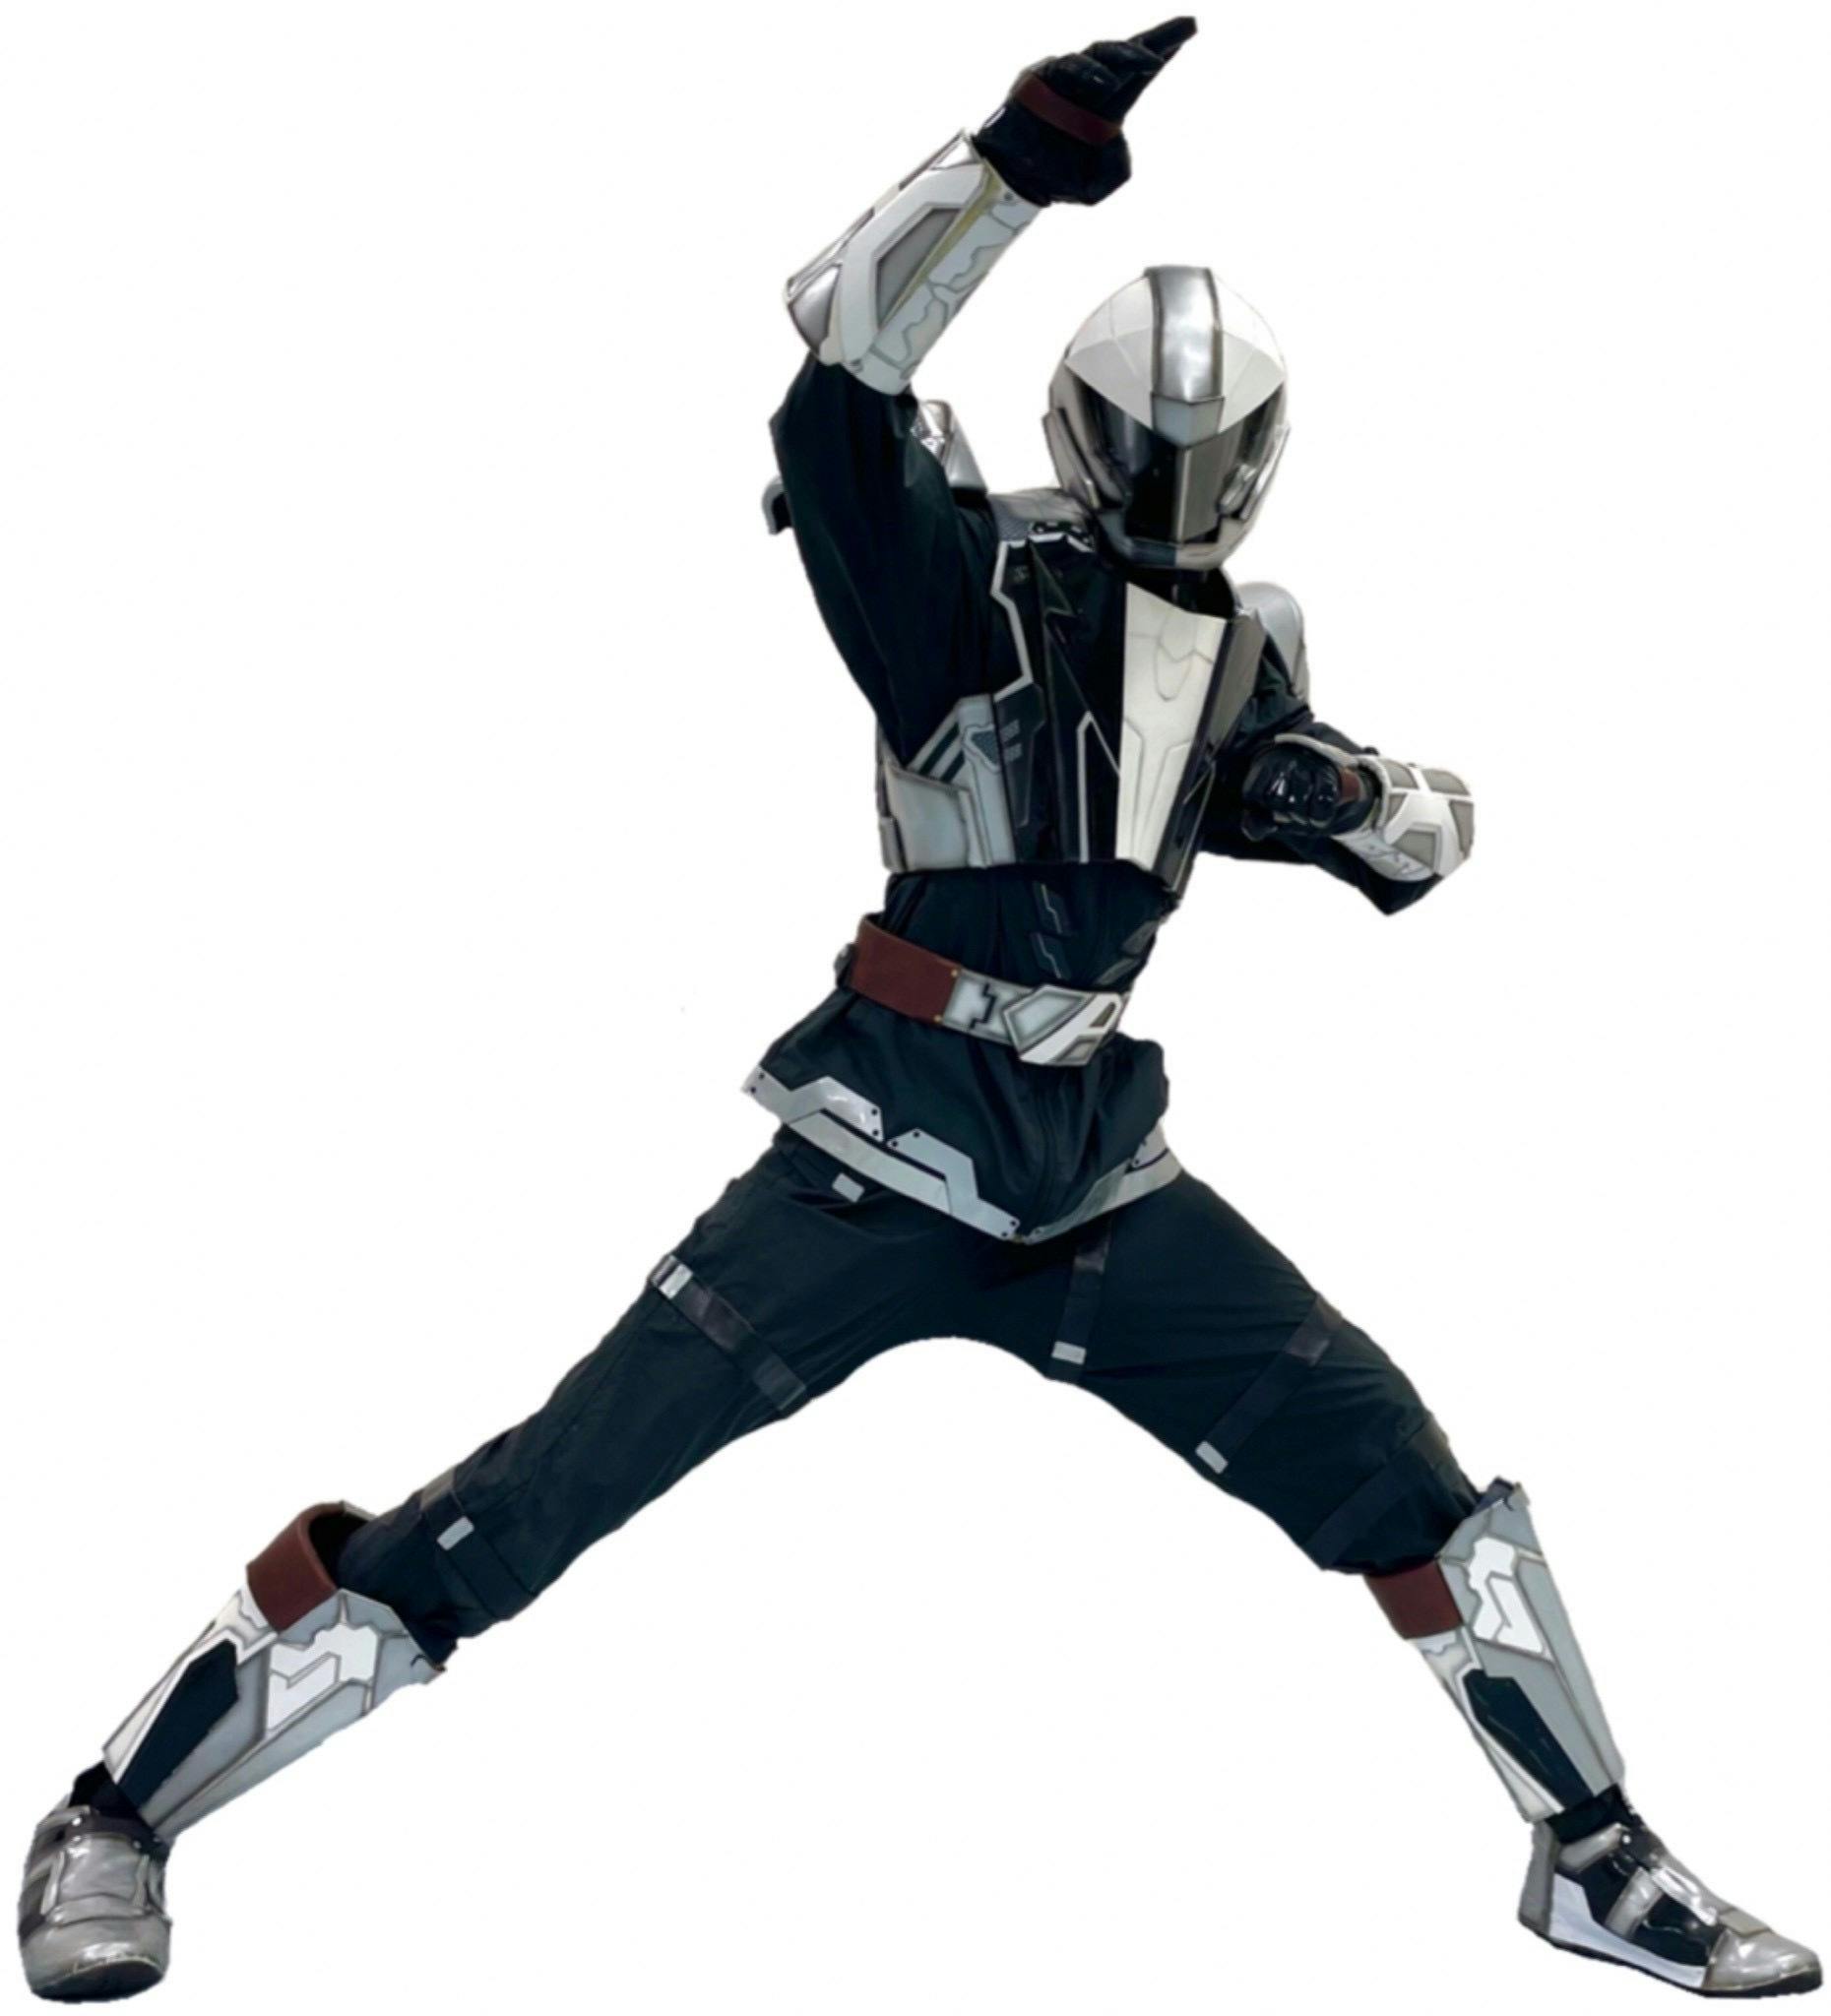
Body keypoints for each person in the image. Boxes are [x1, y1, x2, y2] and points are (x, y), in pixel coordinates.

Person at [18, 19, 1817, 2003]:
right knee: (526, 1509)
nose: (1185, 488)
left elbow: (1420, 839)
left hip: (1096, 1182)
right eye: (1156, 452)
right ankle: (121, 1807)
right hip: (877, 1163)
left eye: (1216, 461)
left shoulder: (1239, 646)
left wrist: (1352, 794)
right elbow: (838, 381)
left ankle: (1596, 1855)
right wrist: (1019, 157)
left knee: (1400, 1472)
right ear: (1084, 433)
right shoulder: (957, 584)